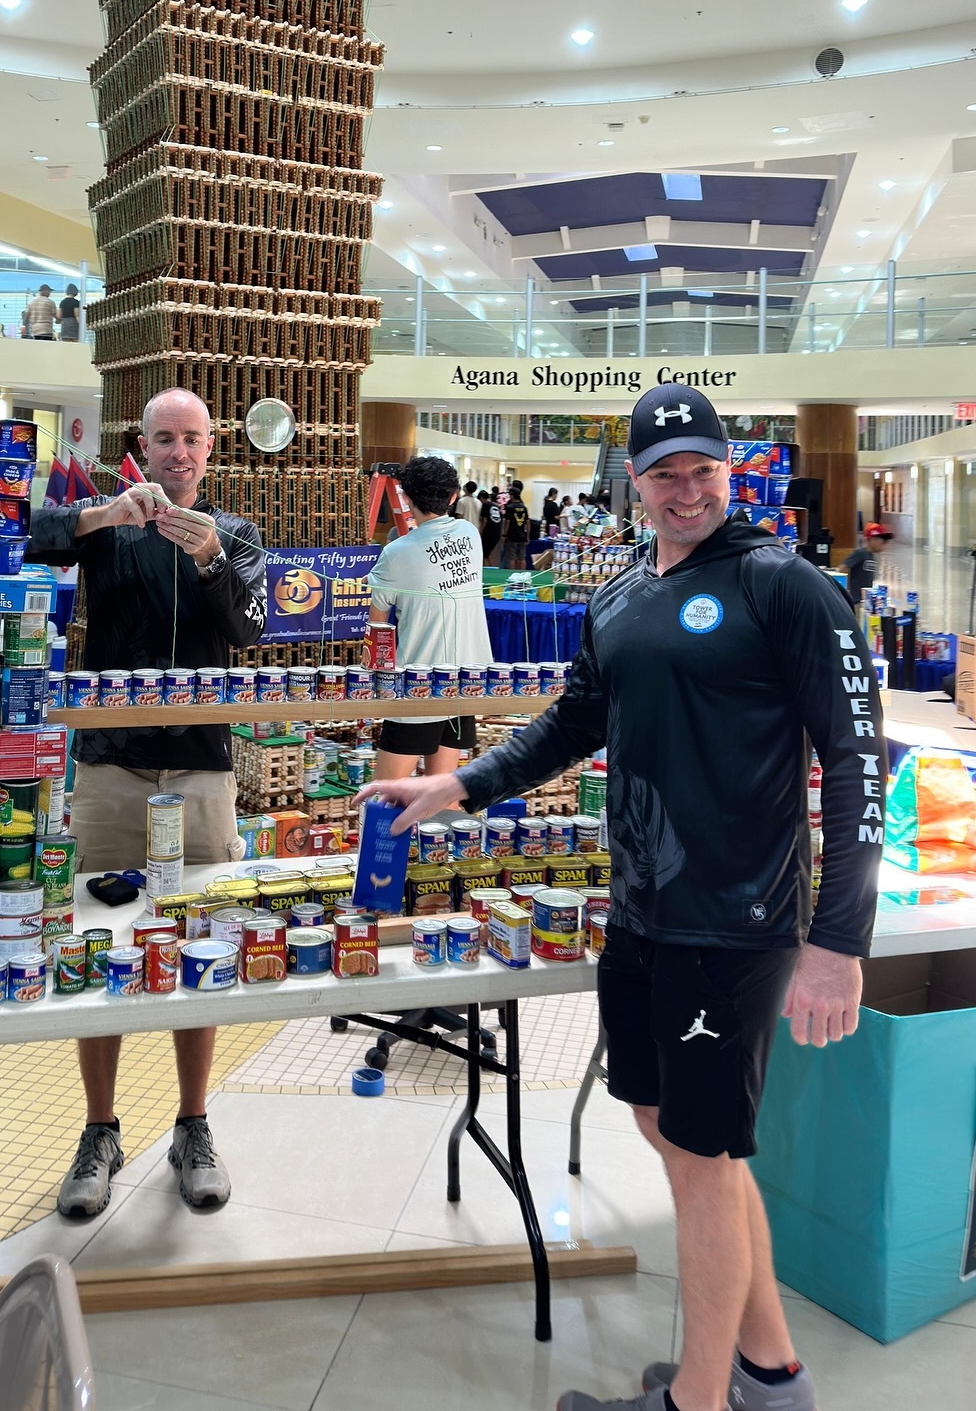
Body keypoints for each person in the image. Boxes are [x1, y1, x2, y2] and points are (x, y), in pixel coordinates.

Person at [361, 381, 885, 1411]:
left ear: (728, 472)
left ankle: (697, 1399)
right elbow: (567, 725)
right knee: (672, 1131)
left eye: (703, 470)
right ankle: (772, 1373)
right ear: (635, 483)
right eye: (665, 474)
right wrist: (458, 783)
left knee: (698, 1157)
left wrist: (838, 941)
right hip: (640, 911)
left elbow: (859, 760)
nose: (686, 491)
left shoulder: (786, 587)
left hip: (732, 924)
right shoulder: (623, 596)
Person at [27, 388, 266, 1220]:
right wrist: (100, 517)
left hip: (200, 766)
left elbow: (249, 634)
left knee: (198, 942)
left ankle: (193, 1124)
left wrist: (208, 562)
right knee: (98, 943)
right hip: (110, 766)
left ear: (212, 448)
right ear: (144, 445)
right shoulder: (109, 524)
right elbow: (27, 536)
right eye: (163, 439)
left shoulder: (237, 535)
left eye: (191, 439)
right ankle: (99, 1129)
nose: (178, 453)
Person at [366, 454, 493, 781]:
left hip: (417, 686)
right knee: (441, 794)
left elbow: (378, 628)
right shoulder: (470, 535)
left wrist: (376, 684)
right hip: (467, 681)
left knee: (385, 797)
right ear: (453, 496)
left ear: (406, 499)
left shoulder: (395, 553)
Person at [843, 522, 893, 607]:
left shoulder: (872, 557)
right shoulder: (860, 553)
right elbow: (842, 568)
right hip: (856, 600)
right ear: (872, 540)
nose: (884, 545)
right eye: (883, 541)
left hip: (865, 599)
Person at [500, 479, 531, 570]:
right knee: (521, 557)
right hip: (522, 535)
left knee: (511, 557)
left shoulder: (509, 507)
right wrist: (527, 535)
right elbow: (528, 522)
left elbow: (508, 522)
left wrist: (504, 534)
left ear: (512, 496)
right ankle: (522, 575)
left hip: (512, 536)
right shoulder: (524, 507)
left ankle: (512, 575)